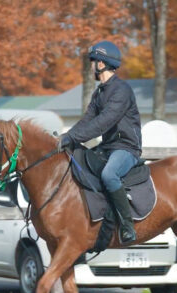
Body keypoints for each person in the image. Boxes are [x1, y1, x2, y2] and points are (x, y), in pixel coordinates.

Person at [58, 40, 142, 244]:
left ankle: (127, 226)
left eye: (94, 60)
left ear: (102, 63)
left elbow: (103, 122)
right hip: (108, 148)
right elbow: (87, 120)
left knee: (109, 174)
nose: (91, 65)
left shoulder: (121, 90)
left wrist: (74, 137)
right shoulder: (100, 92)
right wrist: (66, 138)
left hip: (126, 148)